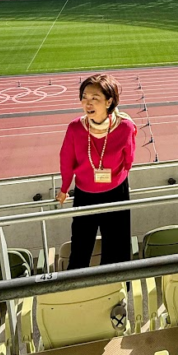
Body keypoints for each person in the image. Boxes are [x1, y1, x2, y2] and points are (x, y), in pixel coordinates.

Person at [57, 74, 137, 268]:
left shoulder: (125, 127)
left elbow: (129, 159)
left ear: (109, 102)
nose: (87, 103)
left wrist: (118, 177)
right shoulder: (75, 128)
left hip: (116, 192)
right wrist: (64, 188)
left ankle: (116, 286)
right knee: (80, 248)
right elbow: (66, 160)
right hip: (85, 194)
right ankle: (78, 286)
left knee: (117, 248)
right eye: (84, 97)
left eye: (95, 98)